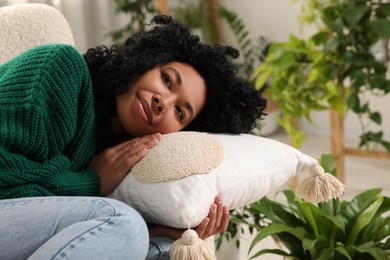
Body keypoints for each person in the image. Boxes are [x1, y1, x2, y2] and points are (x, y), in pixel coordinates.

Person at [0, 14, 267, 260]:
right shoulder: (61, 70)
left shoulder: (121, 156)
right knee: (124, 223)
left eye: (180, 111)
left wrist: (163, 230)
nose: (163, 102)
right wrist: (91, 181)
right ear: (145, 61)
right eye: (166, 80)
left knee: (159, 246)